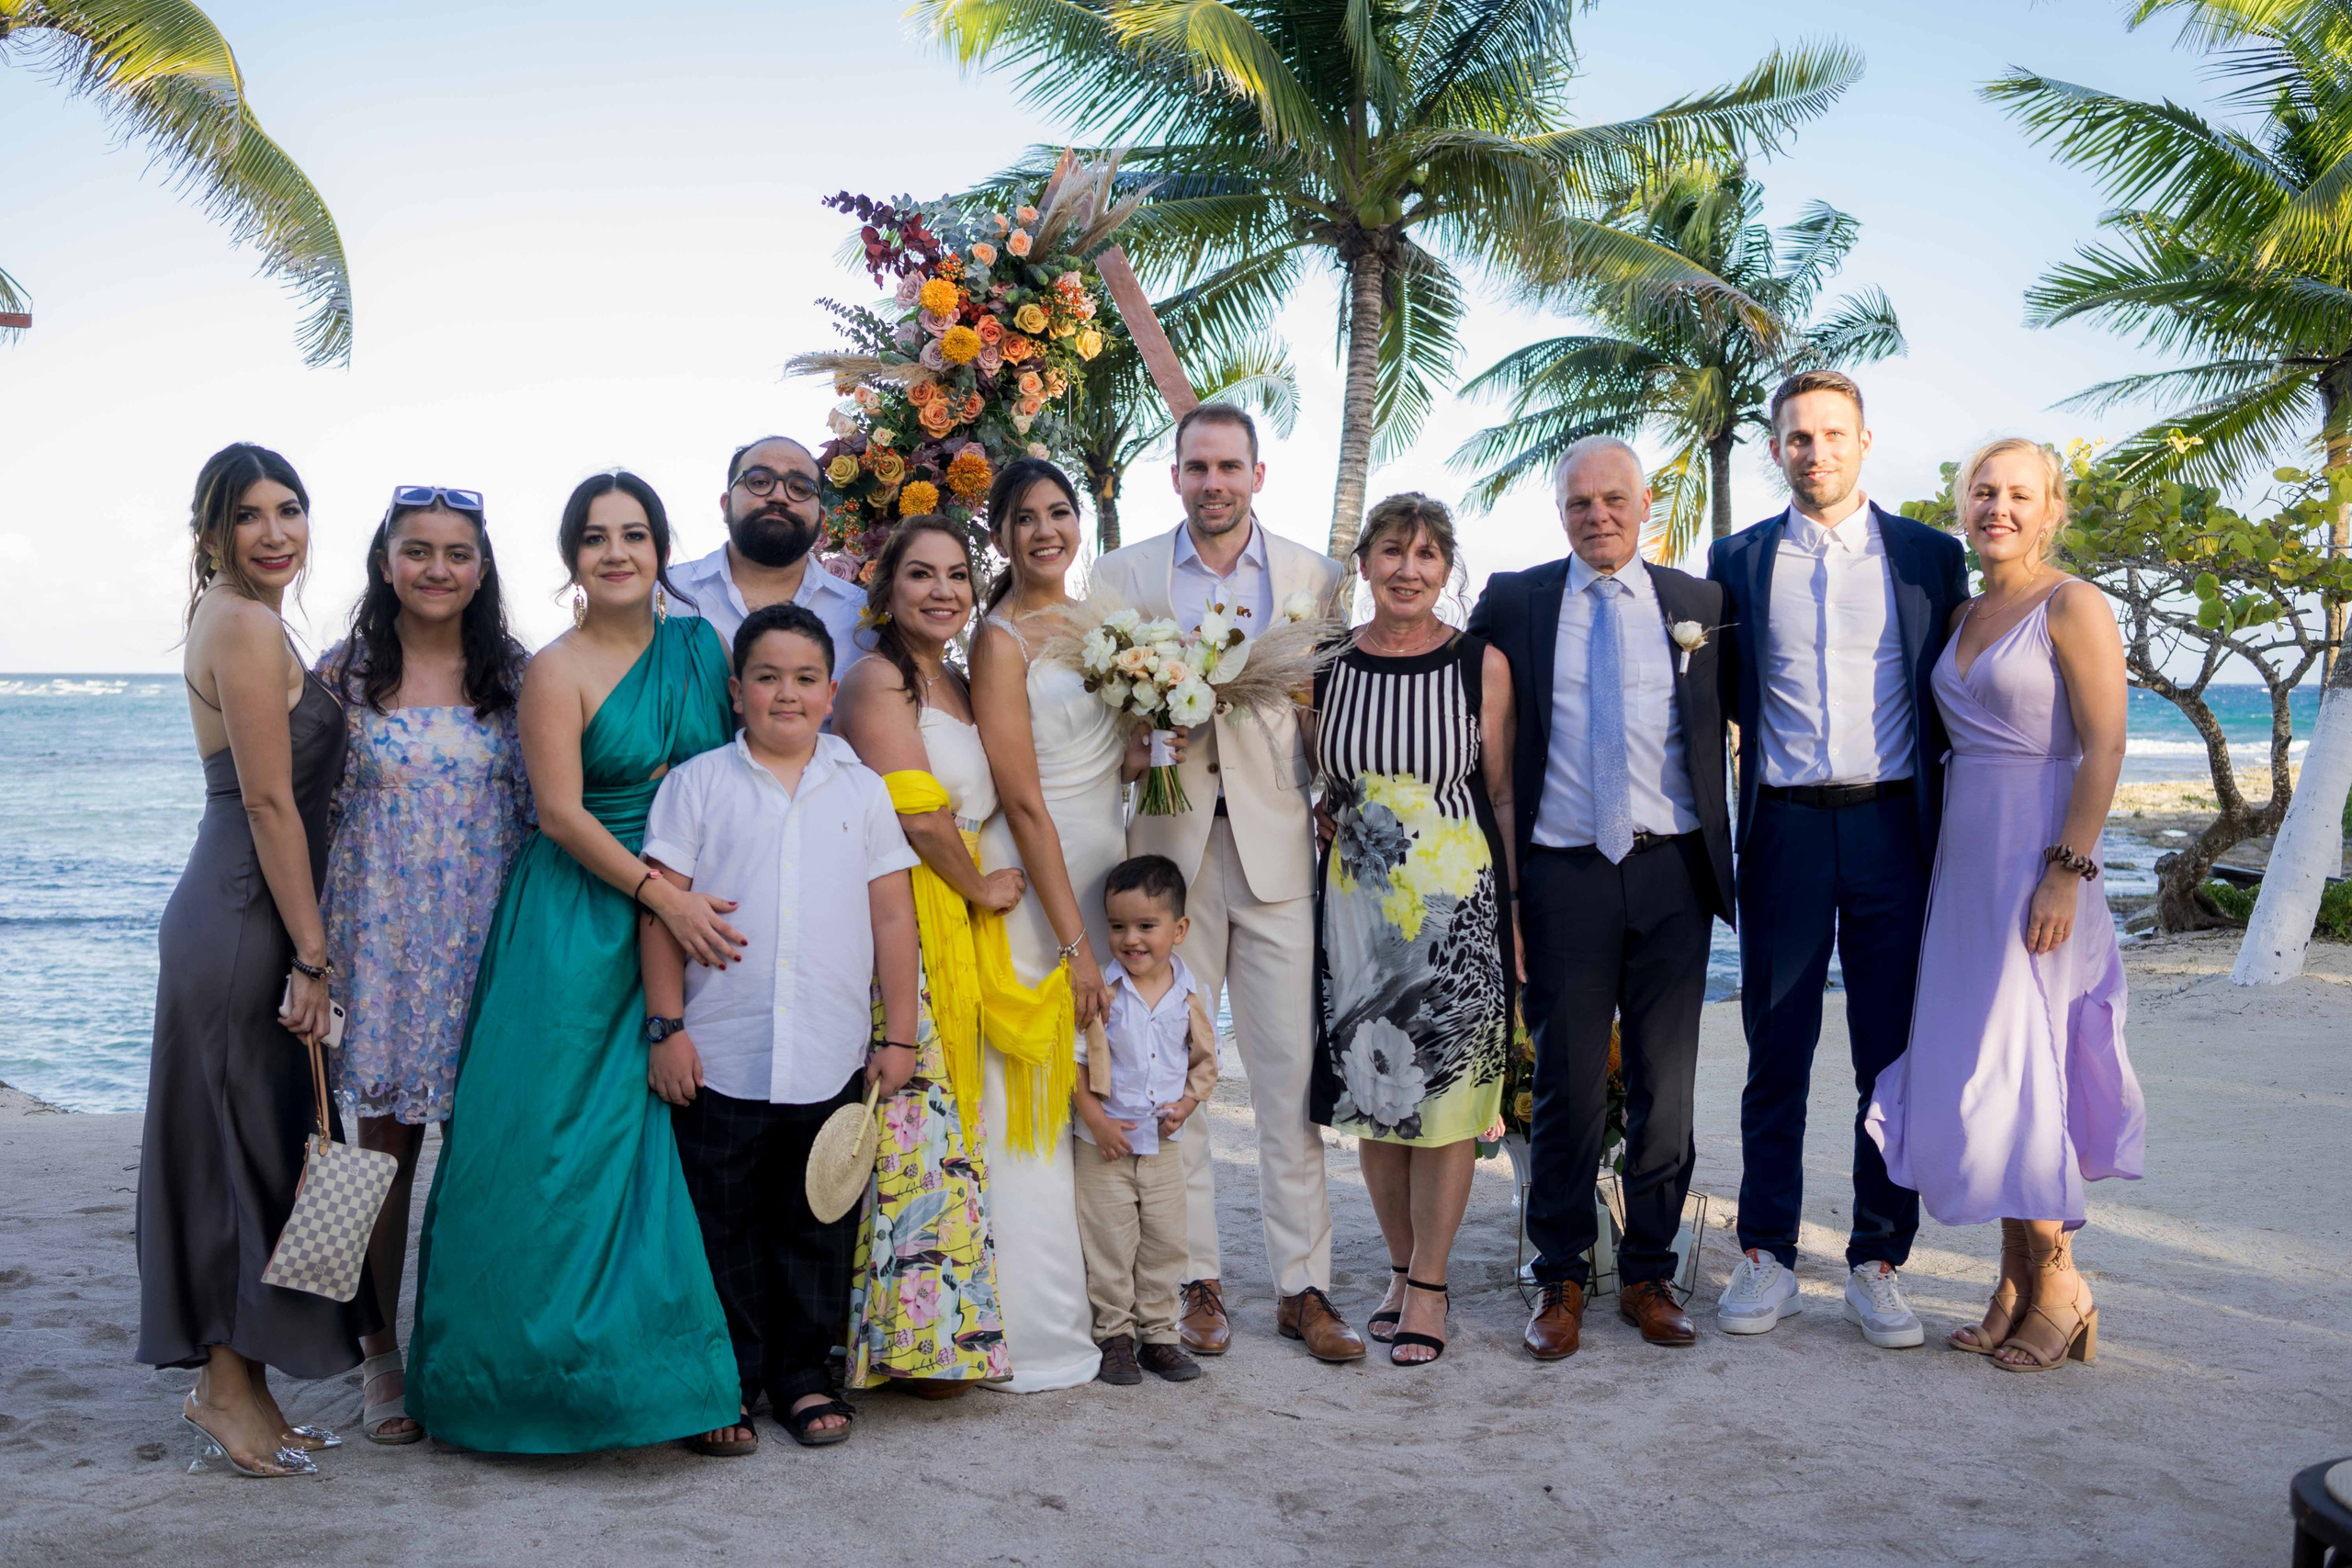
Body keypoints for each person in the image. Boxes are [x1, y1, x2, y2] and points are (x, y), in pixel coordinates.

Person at [407, 470, 742, 1453]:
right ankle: (515, 1385)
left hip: (690, 902)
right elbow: (559, 813)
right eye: (594, 537)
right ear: (570, 559)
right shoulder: (555, 668)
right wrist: (661, 896)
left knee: (671, 1143)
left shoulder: (699, 646)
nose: (616, 553)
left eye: (634, 534)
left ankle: (678, 1381)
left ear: (660, 546)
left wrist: (697, 896)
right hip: (579, 918)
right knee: (556, 1150)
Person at [1705, 371, 1970, 1348]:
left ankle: (1876, 1260)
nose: (1814, 451)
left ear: (1864, 443)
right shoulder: (1735, 559)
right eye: (1796, 437)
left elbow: (1963, 695)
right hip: (1780, 828)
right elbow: (1718, 698)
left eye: (1831, 434)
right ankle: (1766, 1253)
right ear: (1775, 448)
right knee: (1776, 1051)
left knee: (1887, 1056)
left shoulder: (1929, 557)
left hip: (1892, 830)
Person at [1091, 404, 1359, 1364]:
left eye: (1228, 467)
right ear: (1175, 476)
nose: (1213, 482)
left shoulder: (1312, 579)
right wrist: (1138, 745)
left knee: (1287, 1081)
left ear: (1256, 474)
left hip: (1279, 850)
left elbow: (1328, 709)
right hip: (1168, 862)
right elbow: (1101, 720)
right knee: (1168, 1070)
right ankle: (1192, 1279)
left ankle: (1303, 1287)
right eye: (1196, 467)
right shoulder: (1120, 577)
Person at [1866, 439, 2140, 1372]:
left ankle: (2061, 1280)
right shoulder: (1964, 610)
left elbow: (2104, 747)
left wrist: (2066, 868)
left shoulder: (2073, 604)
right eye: (1984, 491)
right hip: (1963, 868)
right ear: (1963, 503)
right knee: (1984, 1067)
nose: (1999, 508)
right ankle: (2014, 1280)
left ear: (2053, 508)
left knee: (2029, 1068)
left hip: (2038, 862)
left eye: (2020, 494)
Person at [141, 443, 379, 1477]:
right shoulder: (238, 623)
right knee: (243, 1156)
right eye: (249, 516)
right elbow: (272, 801)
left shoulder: (252, 620)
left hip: (252, 911)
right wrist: (315, 958)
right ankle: (223, 1392)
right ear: (210, 535)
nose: (277, 532)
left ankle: (254, 1391)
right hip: (246, 920)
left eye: (291, 509)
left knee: (272, 1150)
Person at [1470, 442, 1735, 1359]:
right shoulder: (1513, 600)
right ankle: (1560, 1278)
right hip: (1561, 872)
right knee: (1566, 1085)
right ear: (1560, 511)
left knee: (1665, 1085)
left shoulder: (1698, 606)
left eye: (1612, 499)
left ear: (1644, 504)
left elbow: (1754, 723)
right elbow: (1452, 704)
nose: (1596, 516)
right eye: (1578, 502)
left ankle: (1651, 1270)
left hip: (1671, 872)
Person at [642, 603, 923, 1448]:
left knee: (816, 1218)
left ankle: (803, 1375)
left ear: (831, 692)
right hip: (721, 1052)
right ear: (737, 691)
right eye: (767, 677)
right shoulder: (698, 784)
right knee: (718, 1221)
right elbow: (658, 914)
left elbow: (892, 921)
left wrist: (898, 1036)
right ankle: (726, 1380)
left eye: (805, 679)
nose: (786, 694)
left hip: (828, 1053)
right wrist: (668, 1029)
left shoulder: (861, 789)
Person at [316, 485, 531, 1445]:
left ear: (481, 569)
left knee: (485, 1156)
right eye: (418, 550)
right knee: (369, 1157)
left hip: (490, 941)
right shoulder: (341, 676)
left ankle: (467, 1345)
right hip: (381, 943)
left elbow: (548, 810)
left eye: (456, 552)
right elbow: (298, 817)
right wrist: (303, 956)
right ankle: (369, 1354)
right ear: (386, 561)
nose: (437, 568)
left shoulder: (517, 676)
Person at [1314, 493, 1516, 1367]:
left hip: (1456, 911)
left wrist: (1512, 916)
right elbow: (1308, 787)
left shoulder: (1482, 665)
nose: (1408, 568)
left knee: (1449, 1104)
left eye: (1428, 554)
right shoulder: (1323, 667)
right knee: (1375, 1098)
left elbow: (1500, 793)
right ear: (1363, 565)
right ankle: (1399, 1270)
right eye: (1391, 551)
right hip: (1356, 915)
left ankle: (1431, 1285)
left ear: (1447, 569)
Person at [832, 515, 1016, 1395]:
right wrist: (980, 889)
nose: (941, 590)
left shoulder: (955, 682)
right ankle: (913, 1343)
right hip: (908, 908)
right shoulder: (875, 680)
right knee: (916, 1121)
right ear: (887, 588)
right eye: (920, 574)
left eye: (955, 575)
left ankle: (949, 1329)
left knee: (950, 1126)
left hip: (963, 910)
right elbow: (912, 812)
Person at [968, 457, 1125, 1393]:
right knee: (1033, 1093)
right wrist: (1070, 943)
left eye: (1058, 513)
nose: (1043, 532)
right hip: (1042, 878)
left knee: (1095, 1082)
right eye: (1022, 519)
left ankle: (1115, 1306)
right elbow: (1021, 801)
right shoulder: (998, 640)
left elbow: (1120, 748)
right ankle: (1031, 1323)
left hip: (1108, 858)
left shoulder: (1102, 622)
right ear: (1000, 537)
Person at [1072, 855, 1219, 1386]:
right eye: (1117, 927)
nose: (1131, 939)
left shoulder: (1187, 992)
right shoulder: (1101, 993)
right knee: (1110, 1242)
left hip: (1162, 1145)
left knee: (1163, 1242)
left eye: (1146, 926)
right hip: (1103, 1144)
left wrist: (1187, 1104)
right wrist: (1098, 1121)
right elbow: (1074, 1064)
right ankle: (1114, 1337)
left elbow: (1205, 1059)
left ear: (1178, 930)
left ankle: (1160, 1336)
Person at [669, 436, 865, 667]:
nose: (779, 496)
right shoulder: (664, 594)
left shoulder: (862, 617)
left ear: (822, 519)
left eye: (799, 488)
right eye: (759, 481)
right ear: (726, 505)